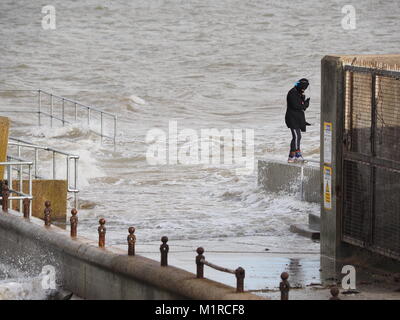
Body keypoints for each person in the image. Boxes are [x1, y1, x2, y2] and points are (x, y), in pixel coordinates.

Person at [285, 78, 310, 163]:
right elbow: (297, 106)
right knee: (296, 137)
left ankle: (291, 156)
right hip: (292, 119)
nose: (304, 90)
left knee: (296, 137)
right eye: (303, 88)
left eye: (305, 88)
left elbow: (301, 107)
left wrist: (304, 101)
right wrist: (305, 104)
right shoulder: (292, 93)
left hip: (297, 119)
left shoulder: (299, 93)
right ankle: (297, 155)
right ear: (299, 86)